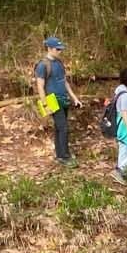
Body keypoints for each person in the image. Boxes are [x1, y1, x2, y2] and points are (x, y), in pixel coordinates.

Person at [33, 35, 81, 164]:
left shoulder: (59, 63)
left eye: (60, 49)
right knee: (63, 127)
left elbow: (64, 81)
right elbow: (40, 86)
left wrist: (74, 98)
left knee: (59, 127)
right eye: (57, 49)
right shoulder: (42, 65)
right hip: (52, 100)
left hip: (63, 98)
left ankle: (60, 155)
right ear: (49, 48)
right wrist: (45, 103)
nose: (59, 51)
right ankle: (65, 157)